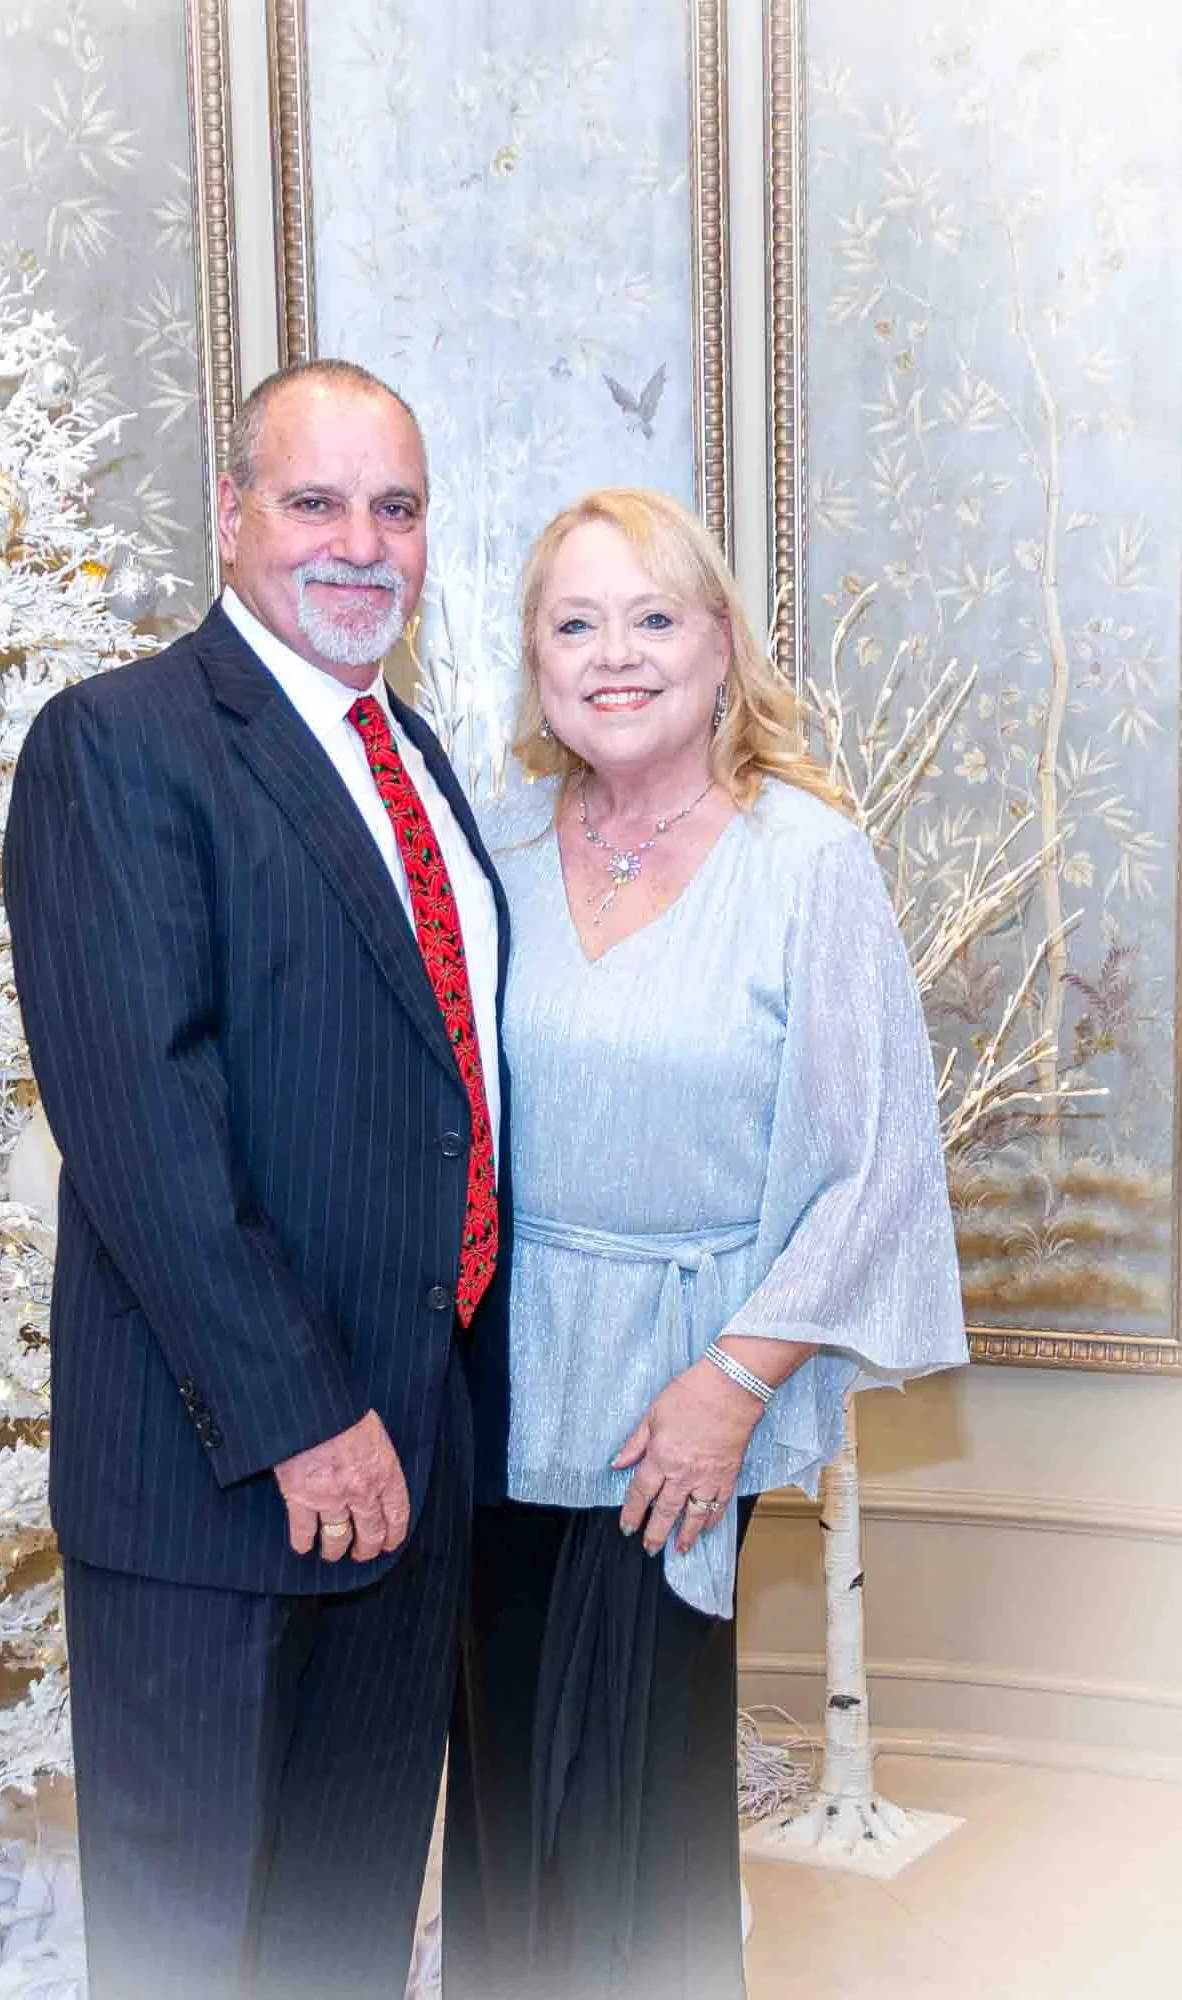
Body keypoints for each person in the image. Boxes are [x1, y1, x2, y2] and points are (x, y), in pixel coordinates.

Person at [4, 359, 511, 2000]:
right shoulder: (121, 744)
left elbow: (444, 1091)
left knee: (342, 1939)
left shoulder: (412, 753)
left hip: (416, 1461)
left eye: (397, 508)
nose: (360, 543)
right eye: (315, 502)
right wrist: (303, 1414)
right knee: (192, 1951)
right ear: (230, 519)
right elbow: (144, 1117)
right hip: (223, 1478)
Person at [441, 488, 967, 2000]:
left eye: (654, 617)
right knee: (499, 1802)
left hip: (676, 1393)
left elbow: (874, 1168)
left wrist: (735, 1378)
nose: (617, 656)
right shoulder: (489, 852)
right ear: (535, 661)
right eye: (576, 622)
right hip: (485, 1389)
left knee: (628, 1805)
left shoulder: (806, 863)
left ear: (722, 644)